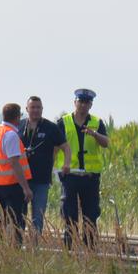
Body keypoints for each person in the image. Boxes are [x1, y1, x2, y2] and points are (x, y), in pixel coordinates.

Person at [57, 88, 109, 248]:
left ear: (90, 105)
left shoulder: (97, 122)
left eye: (87, 102)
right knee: (69, 215)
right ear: (75, 102)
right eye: (81, 102)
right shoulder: (63, 122)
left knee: (90, 215)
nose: (83, 105)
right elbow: (55, 146)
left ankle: (90, 249)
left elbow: (106, 143)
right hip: (69, 175)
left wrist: (95, 134)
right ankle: (68, 248)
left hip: (90, 176)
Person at [0, 102, 33, 244]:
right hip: (11, 185)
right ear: (17, 117)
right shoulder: (10, 134)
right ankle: (14, 250)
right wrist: (26, 188)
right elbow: (14, 163)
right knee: (16, 222)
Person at [19, 95, 66, 236]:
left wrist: (66, 164)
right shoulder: (19, 125)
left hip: (41, 180)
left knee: (38, 217)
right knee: (19, 215)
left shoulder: (51, 127)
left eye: (38, 107)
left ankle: (35, 249)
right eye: (32, 107)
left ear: (42, 109)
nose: (35, 110)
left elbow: (65, 147)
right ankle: (16, 246)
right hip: (21, 180)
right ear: (27, 109)